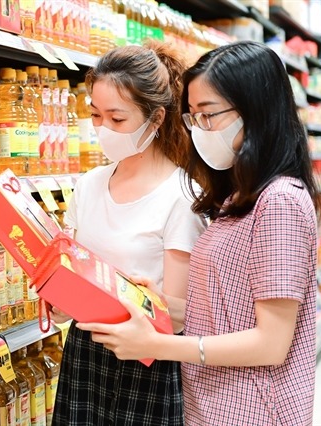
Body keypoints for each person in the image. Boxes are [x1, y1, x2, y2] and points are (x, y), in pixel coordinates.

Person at [76, 41, 321, 425]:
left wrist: (161, 344)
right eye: (192, 118)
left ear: (255, 112)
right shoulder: (237, 197)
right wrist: (156, 304)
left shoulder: (280, 202)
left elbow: (272, 342)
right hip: (213, 404)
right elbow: (224, 310)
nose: (199, 131)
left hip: (254, 409)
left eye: (209, 116)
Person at [51, 41, 208, 426]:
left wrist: (138, 301)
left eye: (117, 119)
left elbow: (179, 315)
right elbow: (70, 269)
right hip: (85, 352)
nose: (104, 129)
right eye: (95, 115)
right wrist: (56, 292)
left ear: (155, 120)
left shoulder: (181, 195)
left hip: (146, 360)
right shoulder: (88, 185)